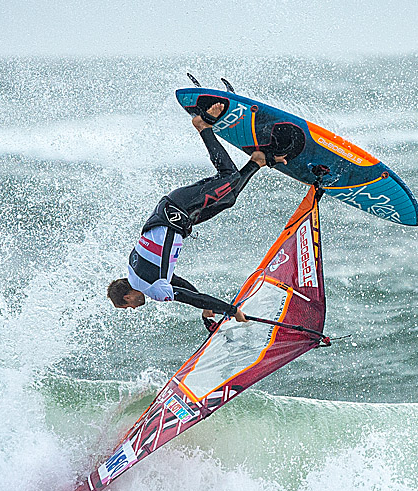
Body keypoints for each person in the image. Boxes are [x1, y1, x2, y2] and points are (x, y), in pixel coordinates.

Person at [107, 102, 287, 326]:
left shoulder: (153, 289)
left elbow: (192, 298)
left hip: (179, 210)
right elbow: (180, 284)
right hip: (178, 213)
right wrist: (208, 308)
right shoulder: (135, 272)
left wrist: (231, 310)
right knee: (227, 198)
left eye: (128, 306)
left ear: (127, 297)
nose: (133, 308)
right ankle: (258, 161)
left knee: (228, 177)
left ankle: (203, 125)